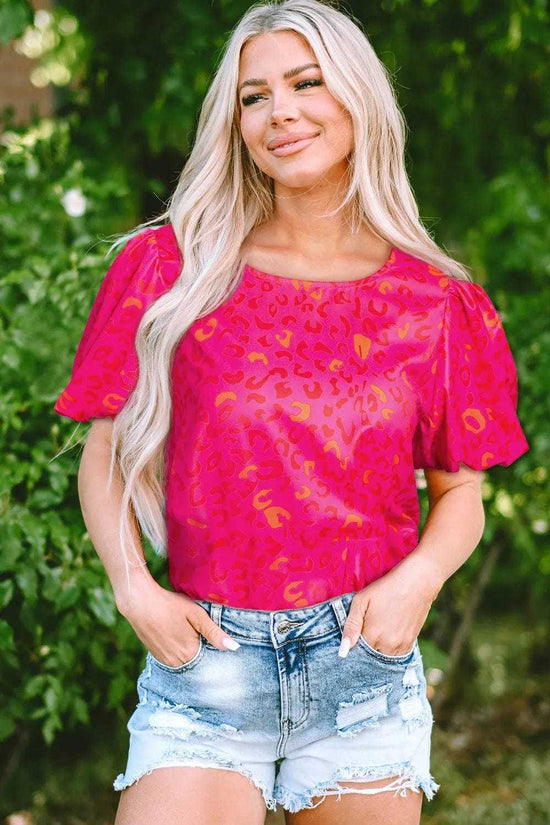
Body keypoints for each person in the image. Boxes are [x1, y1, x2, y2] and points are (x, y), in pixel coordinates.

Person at [53, 1, 530, 823]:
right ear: (234, 121)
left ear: (358, 98)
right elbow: (107, 450)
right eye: (254, 95)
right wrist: (134, 590)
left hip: (363, 666)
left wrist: (417, 582)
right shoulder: (171, 267)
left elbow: (461, 497)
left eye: (307, 83)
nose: (282, 113)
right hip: (205, 664)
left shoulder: (437, 303)